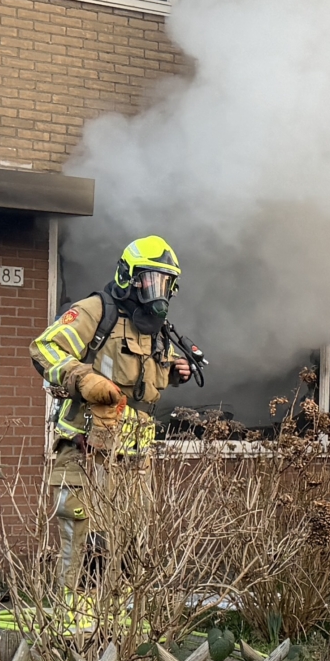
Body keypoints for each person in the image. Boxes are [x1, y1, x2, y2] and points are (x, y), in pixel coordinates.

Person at [30, 236, 199, 576]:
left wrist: (175, 370)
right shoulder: (97, 311)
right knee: (78, 531)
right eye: (150, 279)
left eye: (164, 282)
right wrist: (82, 378)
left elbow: (144, 379)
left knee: (131, 535)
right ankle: (72, 612)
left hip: (135, 456)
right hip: (85, 446)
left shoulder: (155, 328)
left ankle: (120, 616)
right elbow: (45, 348)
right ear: (128, 276)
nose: (157, 289)